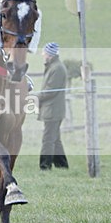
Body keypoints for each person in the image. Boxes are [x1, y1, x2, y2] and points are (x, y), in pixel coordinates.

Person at [36, 42, 68, 170]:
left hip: (53, 110)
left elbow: (50, 90)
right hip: (52, 109)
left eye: (44, 52)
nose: (42, 54)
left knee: (48, 139)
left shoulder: (57, 68)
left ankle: (45, 166)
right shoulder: (53, 66)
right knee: (55, 139)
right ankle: (62, 165)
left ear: (49, 54)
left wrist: (35, 98)